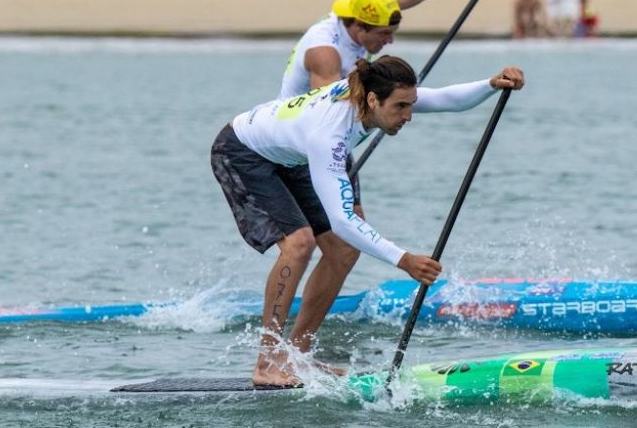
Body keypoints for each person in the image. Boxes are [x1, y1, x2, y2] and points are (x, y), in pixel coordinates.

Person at [211, 55, 526, 386]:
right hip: (242, 152)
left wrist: (492, 84)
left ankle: (298, 356)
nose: (409, 116)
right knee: (299, 244)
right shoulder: (330, 134)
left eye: (411, 105)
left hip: (290, 154)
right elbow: (342, 218)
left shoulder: (374, 96)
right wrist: (402, 259)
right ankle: (268, 363)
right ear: (373, 101)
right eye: (401, 107)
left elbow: (446, 99)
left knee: (343, 251)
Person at [279, 0, 510, 230]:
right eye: (384, 34)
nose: (390, 41)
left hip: (338, 135)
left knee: (348, 242)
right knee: (335, 238)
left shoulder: (370, 10)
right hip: (301, 145)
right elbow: (324, 114)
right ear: (360, 25)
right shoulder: (325, 52)